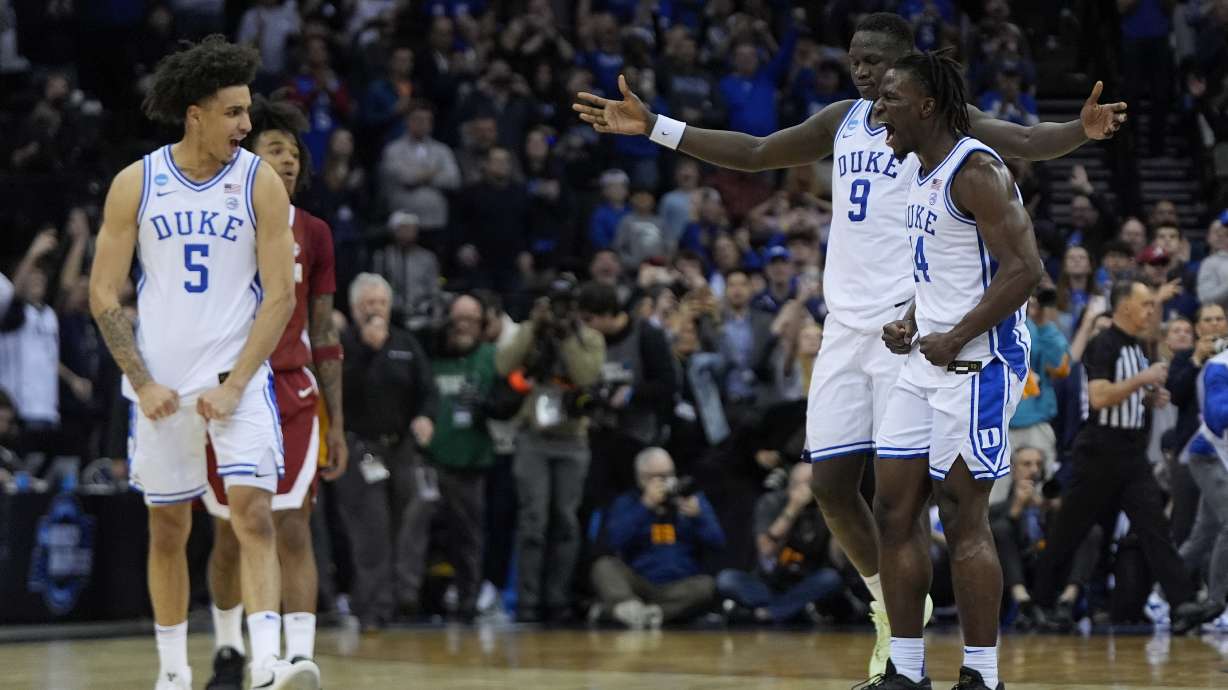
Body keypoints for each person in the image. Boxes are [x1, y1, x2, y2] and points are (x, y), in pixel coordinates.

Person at [573, 11, 1126, 679]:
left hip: (919, 330)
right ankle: (892, 610)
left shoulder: (944, 130)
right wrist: (656, 127)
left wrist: (1081, 132)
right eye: (855, 58)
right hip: (846, 325)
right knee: (834, 485)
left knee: (915, 501)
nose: (861, 70)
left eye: (876, 61)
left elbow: (1029, 141)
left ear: (908, 70)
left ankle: (924, 655)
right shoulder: (844, 120)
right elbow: (753, 151)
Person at [87, 36, 316, 689]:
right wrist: (142, 380)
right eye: (235, 112)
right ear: (196, 113)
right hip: (160, 387)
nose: (248, 125)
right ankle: (171, 673)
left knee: (253, 514)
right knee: (168, 528)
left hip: (237, 382)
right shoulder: (137, 182)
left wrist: (239, 379)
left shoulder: (259, 183)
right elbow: (103, 294)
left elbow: (280, 297)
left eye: (248, 112)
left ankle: (267, 661)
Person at [868, 51, 1046, 690]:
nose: (877, 108)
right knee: (893, 509)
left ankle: (982, 675)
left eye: (889, 98)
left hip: (980, 364)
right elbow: (942, 268)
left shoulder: (974, 171)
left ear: (926, 106)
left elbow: (1026, 271)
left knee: (960, 514)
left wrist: (958, 334)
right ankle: (906, 672)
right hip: (927, 359)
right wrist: (913, 320)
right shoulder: (919, 170)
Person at [198, 95, 346, 690]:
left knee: (291, 525)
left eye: (293, 153)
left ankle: (297, 658)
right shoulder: (216, 217)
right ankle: (230, 651)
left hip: (292, 391)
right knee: (230, 533)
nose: (287, 161)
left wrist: (340, 416)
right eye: (273, 149)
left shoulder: (313, 231)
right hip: (225, 387)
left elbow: (326, 329)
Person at [1031, 282, 1209, 635]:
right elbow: (1098, 398)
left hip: (1130, 454)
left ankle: (1182, 603)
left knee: (1155, 528)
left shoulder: (1135, 346)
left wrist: (1145, 399)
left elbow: (1124, 393)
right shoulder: (1103, 343)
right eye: (1145, 305)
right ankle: (1039, 602)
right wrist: (1142, 380)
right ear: (1125, 307)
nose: (1149, 312)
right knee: (1068, 530)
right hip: (1098, 453)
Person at [335, 273, 438, 632]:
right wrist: (366, 350)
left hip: (401, 449)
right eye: (368, 304)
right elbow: (340, 391)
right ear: (354, 309)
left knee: (407, 524)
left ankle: (400, 600)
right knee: (371, 531)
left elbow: (428, 389)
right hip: (361, 448)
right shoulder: (343, 344)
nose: (375, 310)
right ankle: (371, 609)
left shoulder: (407, 343)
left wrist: (426, 416)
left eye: (380, 303)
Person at [590, 447, 725, 628]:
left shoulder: (691, 499)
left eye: (669, 475)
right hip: (638, 584)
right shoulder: (628, 502)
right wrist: (645, 506)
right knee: (603, 566)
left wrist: (699, 517)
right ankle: (630, 608)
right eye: (657, 477)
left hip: (679, 586)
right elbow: (612, 542)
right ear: (641, 478)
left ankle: (638, 614)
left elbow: (718, 542)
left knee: (707, 585)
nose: (666, 481)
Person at [716, 462, 847, 624]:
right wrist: (793, 508)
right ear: (791, 485)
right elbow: (766, 551)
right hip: (768, 582)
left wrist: (838, 522)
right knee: (727, 579)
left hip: (804, 582)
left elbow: (838, 561)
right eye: (806, 484)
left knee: (831, 578)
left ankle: (767, 613)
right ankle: (790, 610)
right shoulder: (772, 502)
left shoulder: (825, 508)